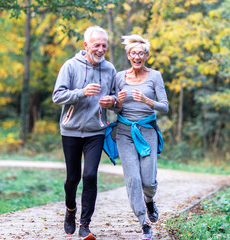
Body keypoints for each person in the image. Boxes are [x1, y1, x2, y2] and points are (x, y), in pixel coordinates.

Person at [52, 26, 116, 240]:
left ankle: (85, 225)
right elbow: (57, 96)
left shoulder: (110, 70)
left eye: (104, 45)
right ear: (86, 45)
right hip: (70, 130)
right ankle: (70, 209)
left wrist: (113, 101)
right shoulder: (70, 66)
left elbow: (117, 99)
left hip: (95, 130)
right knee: (73, 178)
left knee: (90, 176)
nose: (101, 49)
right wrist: (81, 92)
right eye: (96, 45)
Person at [114, 34, 169, 240]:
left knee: (148, 181)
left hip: (147, 131)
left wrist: (147, 100)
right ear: (128, 55)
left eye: (141, 53)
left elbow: (165, 106)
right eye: (133, 53)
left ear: (146, 56)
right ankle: (144, 223)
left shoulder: (155, 76)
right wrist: (117, 102)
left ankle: (149, 200)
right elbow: (113, 107)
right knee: (133, 179)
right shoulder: (119, 77)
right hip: (124, 132)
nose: (137, 56)